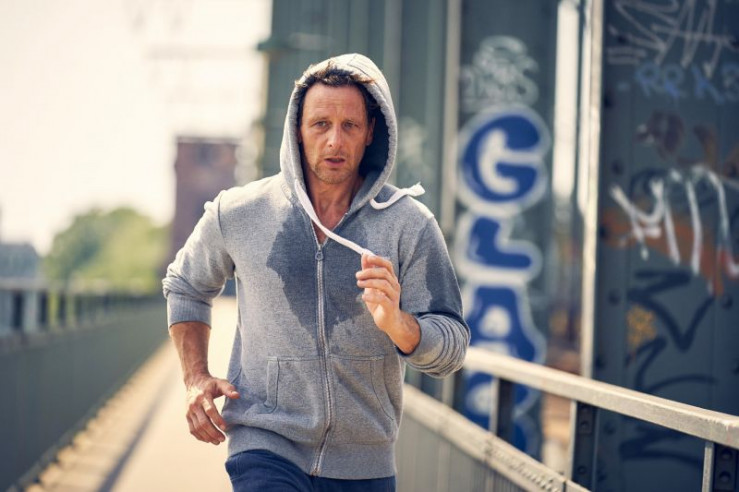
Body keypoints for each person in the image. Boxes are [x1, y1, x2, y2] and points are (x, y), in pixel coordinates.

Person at [163, 53, 469, 491]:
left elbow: (453, 345)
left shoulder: (408, 224)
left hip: (365, 463)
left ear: (371, 132)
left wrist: (401, 326)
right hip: (265, 444)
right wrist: (195, 377)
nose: (334, 142)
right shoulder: (240, 212)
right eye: (321, 124)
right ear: (297, 130)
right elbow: (185, 286)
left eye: (350, 126)